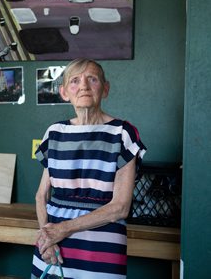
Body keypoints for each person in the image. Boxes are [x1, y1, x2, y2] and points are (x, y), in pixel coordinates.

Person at [32, 58, 146, 279]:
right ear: (64, 92)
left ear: (105, 89)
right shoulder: (54, 133)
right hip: (53, 246)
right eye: (75, 80)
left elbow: (120, 207)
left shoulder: (122, 133)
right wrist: (46, 238)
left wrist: (63, 229)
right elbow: (40, 195)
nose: (83, 85)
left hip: (101, 247)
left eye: (92, 79)